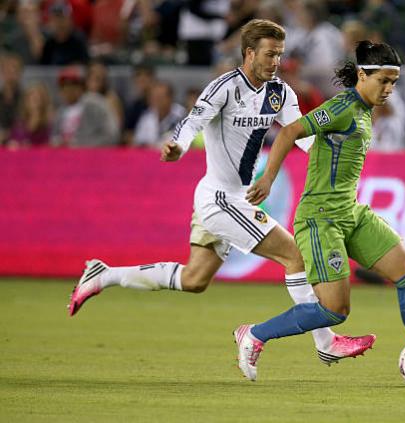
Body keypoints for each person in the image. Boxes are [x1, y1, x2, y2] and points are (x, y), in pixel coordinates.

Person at [68, 19, 374, 366]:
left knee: (194, 279)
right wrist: (178, 147)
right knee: (295, 256)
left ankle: (104, 274)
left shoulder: (281, 93)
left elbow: (300, 137)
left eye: (280, 55)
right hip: (218, 199)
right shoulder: (224, 88)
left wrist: (333, 149)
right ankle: (326, 342)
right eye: (270, 54)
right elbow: (192, 122)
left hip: (232, 199)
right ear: (249, 53)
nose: (276, 62)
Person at [236, 40, 405, 381]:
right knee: (335, 310)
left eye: (394, 82)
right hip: (321, 219)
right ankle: (256, 334)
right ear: (362, 75)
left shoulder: (363, 110)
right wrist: (269, 179)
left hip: (350, 213)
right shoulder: (343, 107)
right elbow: (290, 131)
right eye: (384, 81)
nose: (389, 89)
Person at [52, 66, 119, 146]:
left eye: (73, 85)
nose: (68, 90)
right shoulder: (60, 111)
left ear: (81, 86)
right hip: (64, 156)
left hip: (91, 155)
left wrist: (81, 144)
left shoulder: (96, 104)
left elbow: (112, 134)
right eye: (64, 86)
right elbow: (54, 137)